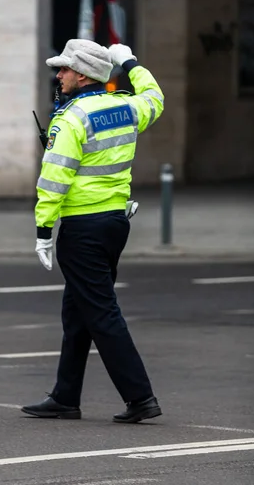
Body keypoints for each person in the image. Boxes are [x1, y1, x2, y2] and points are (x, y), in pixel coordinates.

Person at [21, 40, 164, 423]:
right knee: (78, 312)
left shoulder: (71, 119)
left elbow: (53, 180)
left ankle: (141, 397)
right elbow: (154, 96)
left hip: (83, 228)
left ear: (82, 74)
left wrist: (43, 230)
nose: (59, 74)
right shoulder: (127, 106)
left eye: (65, 68)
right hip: (115, 224)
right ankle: (65, 397)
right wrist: (130, 62)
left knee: (100, 313)